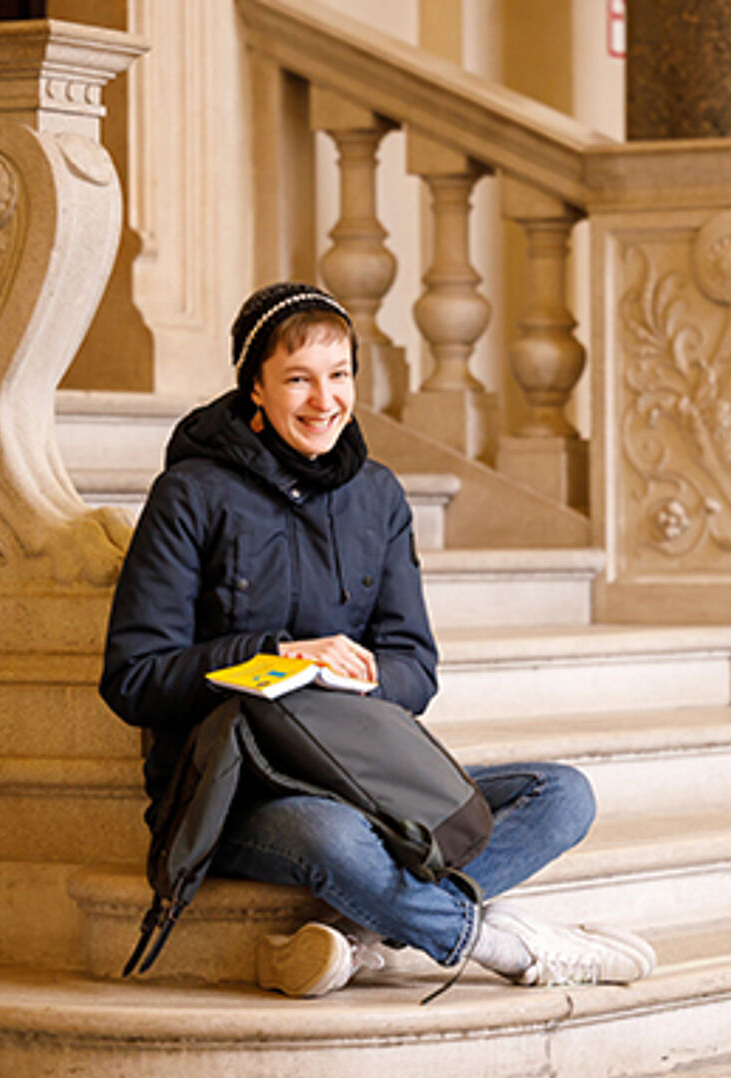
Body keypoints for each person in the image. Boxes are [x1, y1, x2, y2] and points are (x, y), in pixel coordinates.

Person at [100, 281, 656, 998]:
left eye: (338, 376)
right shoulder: (192, 495)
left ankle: (360, 939)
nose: (323, 400)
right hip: (235, 791)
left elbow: (414, 670)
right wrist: (273, 657)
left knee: (563, 795)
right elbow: (135, 678)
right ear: (255, 390)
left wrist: (357, 674)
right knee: (335, 839)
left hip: (357, 771)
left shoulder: (377, 496)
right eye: (297, 379)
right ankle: (503, 945)